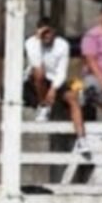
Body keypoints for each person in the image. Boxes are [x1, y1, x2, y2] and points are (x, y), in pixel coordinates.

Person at [24, 18, 89, 154]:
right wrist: (37, 40)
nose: (46, 35)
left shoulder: (62, 45)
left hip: (55, 81)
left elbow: (61, 72)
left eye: (49, 32)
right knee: (39, 73)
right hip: (35, 80)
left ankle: (82, 139)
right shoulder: (31, 43)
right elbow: (36, 65)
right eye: (44, 32)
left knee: (73, 97)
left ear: (54, 32)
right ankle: (43, 107)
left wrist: (53, 89)